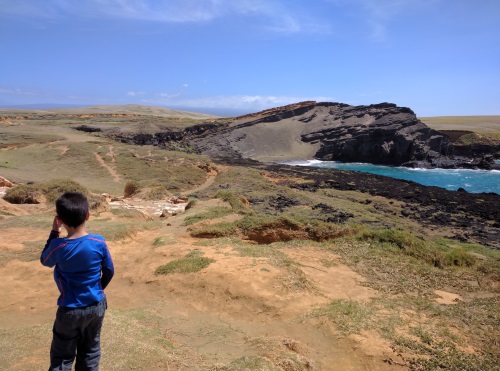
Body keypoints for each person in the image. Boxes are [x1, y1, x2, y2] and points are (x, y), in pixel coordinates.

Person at [41, 192, 114, 370]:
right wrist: (99, 289)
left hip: (70, 309)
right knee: (90, 351)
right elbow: (109, 271)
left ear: (59, 219)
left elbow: (45, 260)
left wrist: (54, 233)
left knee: (62, 357)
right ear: (87, 215)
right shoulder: (99, 241)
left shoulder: (58, 246)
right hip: (96, 305)